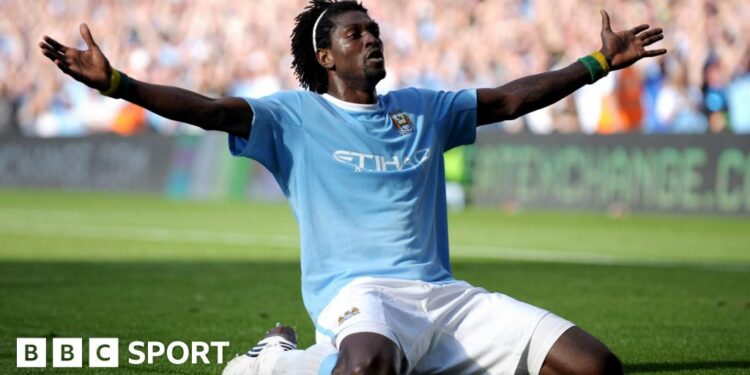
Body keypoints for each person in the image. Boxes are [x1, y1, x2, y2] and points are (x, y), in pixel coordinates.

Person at [39, 1, 665, 373]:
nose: (371, 38)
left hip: (445, 296)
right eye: (354, 33)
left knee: (594, 366)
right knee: (368, 363)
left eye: (374, 30)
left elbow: (506, 100)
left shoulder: (425, 107)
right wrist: (118, 82)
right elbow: (209, 111)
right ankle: (280, 360)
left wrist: (597, 64)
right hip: (358, 295)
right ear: (326, 58)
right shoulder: (292, 117)